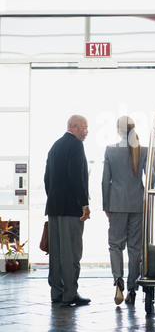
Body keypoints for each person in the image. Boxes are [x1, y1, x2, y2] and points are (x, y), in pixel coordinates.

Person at [102, 116, 155, 306]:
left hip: (116, 204)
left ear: (118, 131)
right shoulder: (143, 150)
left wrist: (105, 205)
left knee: (115, 245)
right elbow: (150, 182)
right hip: (137, 205)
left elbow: (105, 182)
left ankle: (118, 280)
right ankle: (132, 290)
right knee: (135, 249)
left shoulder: (110, 150)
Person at [44, 115, 91, 306]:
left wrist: (53, 199)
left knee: (56, 252)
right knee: (72, 252)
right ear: (74, 127)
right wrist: (84, 204)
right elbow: (76, 177)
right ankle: (70, 294)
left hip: (54, 208)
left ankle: (57, 292)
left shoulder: (55, 146)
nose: (87, 131)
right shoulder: (76, 146)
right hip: (72, 209)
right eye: (85, 127)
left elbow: (47, 178)